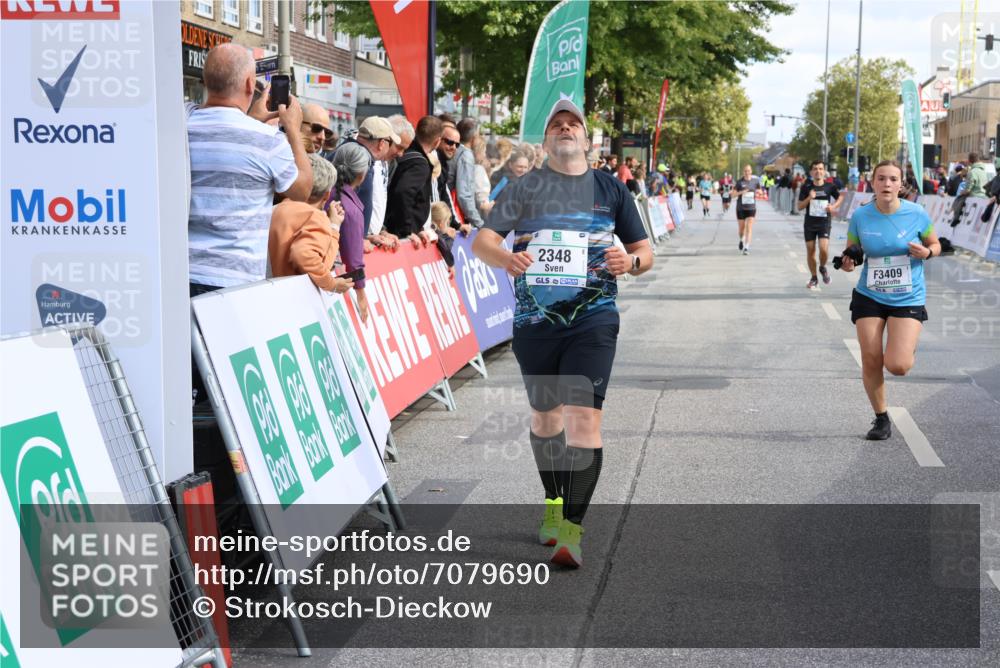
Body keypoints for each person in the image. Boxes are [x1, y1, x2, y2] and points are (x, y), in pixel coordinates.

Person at [472, 98, 654, 569]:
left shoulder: (611, 189)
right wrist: (506, 259)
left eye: (574, 123)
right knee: (546, 419)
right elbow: (483, 241)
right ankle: (554, 504)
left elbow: (644, 252)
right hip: (536, 322)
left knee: (583, 421)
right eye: (558, 124)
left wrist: (630, 263)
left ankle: (572, 530)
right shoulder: (524, 187)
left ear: (588, 139)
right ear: (547, 139)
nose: (566, 128)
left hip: (594, 318)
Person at [187, 43, 312, 296]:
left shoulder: (181, 123)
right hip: (235, 282)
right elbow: (302, 190)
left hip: (181, 272)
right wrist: (294, 131)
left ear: (205, 80)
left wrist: (250, 119)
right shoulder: (267, 140)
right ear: (248, 85)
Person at [839, 160, 940, 440]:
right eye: (881, 179)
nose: (887, 184)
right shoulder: (861, 216)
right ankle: (881, 418)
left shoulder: (916, 213)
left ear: (901, 185)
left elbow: (936, 245)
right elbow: (851, 252)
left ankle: (906, 349)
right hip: (869, 295)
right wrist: (848, 263)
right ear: (872, 183)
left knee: (898, 365)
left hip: (907, 295)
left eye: (893, 179)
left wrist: (927, 253)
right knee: (871, 359)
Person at [269, 153, 353, 294]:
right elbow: (304, 255)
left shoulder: (277, 208)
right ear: (326, 195)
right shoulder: (315, 217)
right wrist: (331, 284)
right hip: (286, 297)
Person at [331, 142, 374, 324]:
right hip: (328, 278)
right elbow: (354, 260)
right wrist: (361, 294)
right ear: (361, 175)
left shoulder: (325, 192)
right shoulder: (351, 210)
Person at [384, 115, 443, 244]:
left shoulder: (409, 154)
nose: (400, 152)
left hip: (392, 230)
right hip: (397, 235)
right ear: (438, 141)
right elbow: (402, 193)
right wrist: (407, 230)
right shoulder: (419, 164)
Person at [797, 160, 844, 289]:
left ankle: (822, 267)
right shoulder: (806, 187)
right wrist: (809, 198)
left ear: (824, 171)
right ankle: (814, 277)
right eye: (815, 169)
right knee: (811, 250)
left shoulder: (830, 186)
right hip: (810, 223)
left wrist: (833, 206)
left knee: (823, 249)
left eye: (820, 168)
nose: (818, 171)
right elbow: (799, 207)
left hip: (824, 222)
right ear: (811, 172)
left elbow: (840, 197)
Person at [455, 117, 485, 230]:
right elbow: (464, 195)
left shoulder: (457, 151)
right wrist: (480, 223)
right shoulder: (466, 155)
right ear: (474, 136)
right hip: (458, 216)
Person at [733, 164, 762, 255]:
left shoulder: (755, 181)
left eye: (748, 170)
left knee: (749, 227)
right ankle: (742, 239)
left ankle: (746, 248)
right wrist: (742, 192)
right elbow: (733, 195)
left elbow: (760, 191)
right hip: (741, 208)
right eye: (745, 171)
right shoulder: (739, 182)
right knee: (742, 229)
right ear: (743, 172)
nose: (747, 172)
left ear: (751, 171)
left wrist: (758, 192)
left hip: (751, 208)